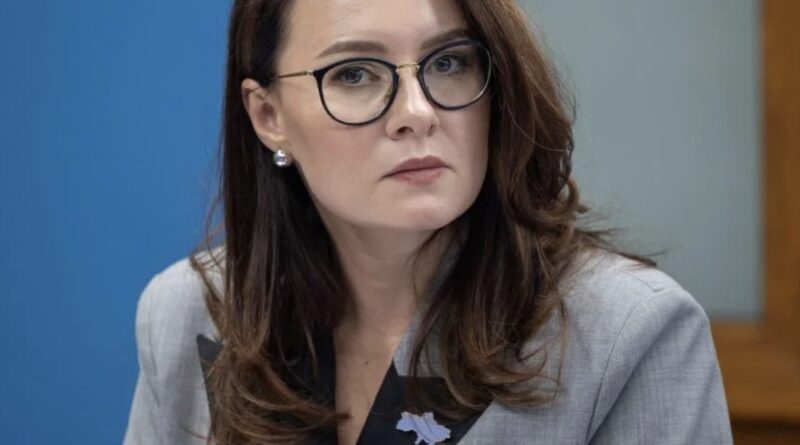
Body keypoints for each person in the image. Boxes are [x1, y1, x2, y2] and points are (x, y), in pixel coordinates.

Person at [123, 0, 734, 444]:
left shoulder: (630, 332)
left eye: (448, 62)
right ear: (268, 116)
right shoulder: (188, 312)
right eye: (354, 73)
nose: (416, 113)